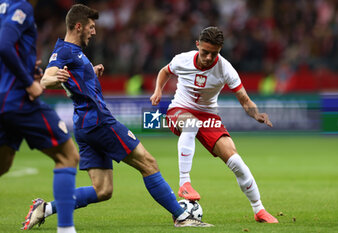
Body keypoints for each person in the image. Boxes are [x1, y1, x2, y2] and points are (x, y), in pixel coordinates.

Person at [22, 4, 213, 230]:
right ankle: (182, 217)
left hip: (84, 126)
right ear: (78, 26)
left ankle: (45, 208)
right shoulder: (65, 52)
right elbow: (46, 78)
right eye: (91, 27)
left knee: (103, 190)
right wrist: (54, 80)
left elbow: (72, 78)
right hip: (99, 121)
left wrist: (90, 72)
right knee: (148, 163)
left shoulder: (72, 51)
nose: (94, 32)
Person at [150, 26, 279, 223]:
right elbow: (164, 71)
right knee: (190, 123)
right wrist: (158, 90)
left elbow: (244, 99)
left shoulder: (226, 69)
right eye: (205, 52)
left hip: (209, 116)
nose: (209, 58)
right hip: (179, 110)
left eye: (214, 53)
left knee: (236, 162)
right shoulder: (182, 59)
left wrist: (256, 114)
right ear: (197, 46)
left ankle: (259, 210)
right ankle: (184, 182)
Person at [0, 0, 79, 232]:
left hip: (3, 98)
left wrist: (26, 68)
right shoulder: (20, 7)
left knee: (3, 164)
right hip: (18, 99)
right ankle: (66, 229)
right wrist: (28, 82)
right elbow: (4, 45)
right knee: (68, 156)